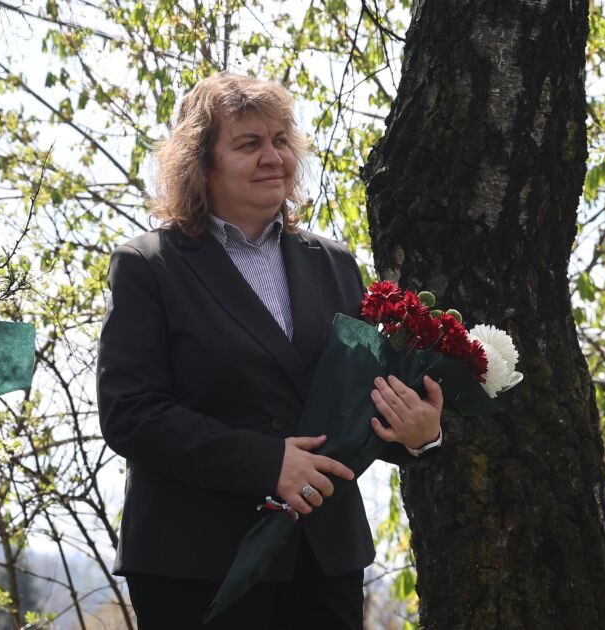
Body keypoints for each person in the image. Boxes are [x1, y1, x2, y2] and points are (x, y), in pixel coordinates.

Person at [97, 72, 444, 629]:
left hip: (323, 561)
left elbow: (352, 405)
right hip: (196, 565)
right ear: (201, 164)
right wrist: (268, 463)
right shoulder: (148, 266)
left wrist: (418, 434)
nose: (272, 157)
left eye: (281, 140)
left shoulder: (335, 264)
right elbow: (130, 414)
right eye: (248, 144)